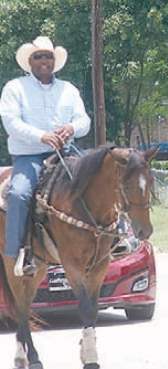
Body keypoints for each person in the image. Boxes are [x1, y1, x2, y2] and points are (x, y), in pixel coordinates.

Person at [0, 36, 91, 276]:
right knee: (19, 194)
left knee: (102, 177)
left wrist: (72, 128)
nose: (44, 61)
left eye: (48, 56)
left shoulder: (68, 90)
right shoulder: (15, 88)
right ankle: (17, 252)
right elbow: (11, 123)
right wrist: (41, 136)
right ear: (29, 62)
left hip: (66, 153)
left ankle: (117, 237)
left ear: (54, 61)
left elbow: (84, 120)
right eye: (38, 56)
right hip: (29, 156)